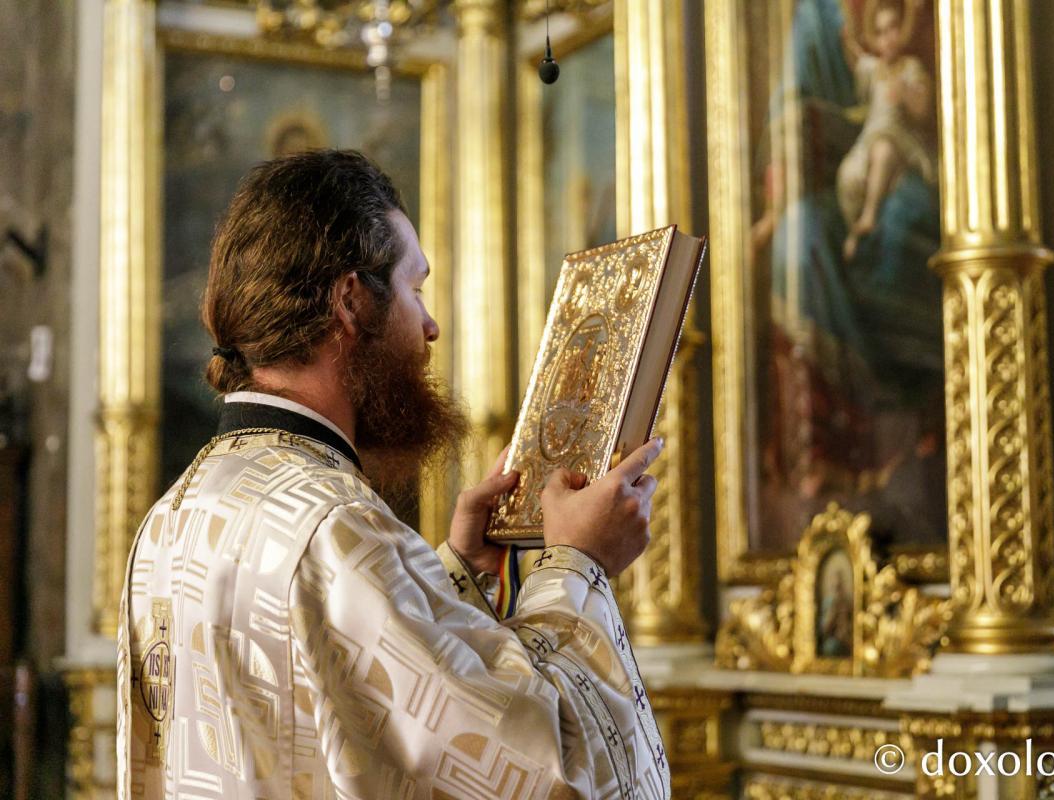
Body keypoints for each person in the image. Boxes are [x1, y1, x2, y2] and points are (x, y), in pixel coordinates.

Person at [116, 150, 670, 799]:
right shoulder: (337, 526)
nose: (429, 326)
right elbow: (546, 772)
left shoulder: (175, 513)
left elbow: (344, 714)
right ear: (350, 300)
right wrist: (577, 563)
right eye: (415, 289)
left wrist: (456, 570)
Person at [837, 0, 935, 262]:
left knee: (883, 150)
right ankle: (854, 233)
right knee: (848, 175)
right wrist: (848, 40)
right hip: (869, 140)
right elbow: (856, 57)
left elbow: (923, 110)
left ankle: (870, 216)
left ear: (902, 29)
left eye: (892, 28)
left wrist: (905, 94)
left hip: (899, 141)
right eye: (880, 32)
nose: (887, 38)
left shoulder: (909, 68)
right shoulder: (873, 68)